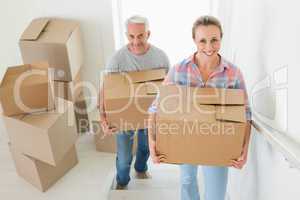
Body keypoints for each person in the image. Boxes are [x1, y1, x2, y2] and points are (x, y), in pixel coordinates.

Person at [148, 15, 252, 200]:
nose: (209, 47)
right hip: (185, 135)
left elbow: (245, 113)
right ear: (194, 41)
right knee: (187, 182)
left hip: (219, 140)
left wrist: (244, 148)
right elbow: (156, 108)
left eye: (214, 40)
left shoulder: (233, 73)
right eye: (202, 41)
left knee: (216, 194)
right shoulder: (179, 70)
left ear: (221, 39)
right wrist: (152, 142)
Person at [99, 15, 170, 190]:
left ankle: (140, 168)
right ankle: (122, 181)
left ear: (148, 34)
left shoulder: (160, 57)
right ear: (126, 35)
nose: (136, 41)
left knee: (145, 148)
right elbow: (105, 91)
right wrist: (103, 119)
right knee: (123, 157)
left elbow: (168, 88)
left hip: (149, 116)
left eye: (140, 36)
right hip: (124, 117)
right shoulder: (117, 59)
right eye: (131, 36)